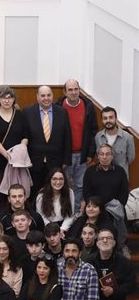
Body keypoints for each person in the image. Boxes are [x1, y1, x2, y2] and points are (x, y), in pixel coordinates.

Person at [56, 79, 98, 213]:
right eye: (70, 90)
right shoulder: (58, 106)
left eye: (76, 89)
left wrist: (91, 154)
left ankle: (75, 215)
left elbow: (93, 131)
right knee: (63, 185)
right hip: (64, 156)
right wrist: (60, 157)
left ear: (79, 90)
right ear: (65, 92)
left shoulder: (88, 106)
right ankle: (64, 212)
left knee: (80, 186)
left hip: (83, 156)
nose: (73, 92)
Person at [23, 85, 72, 199]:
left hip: (55, 161)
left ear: (52, 96)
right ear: (37, 97)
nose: (46, 98)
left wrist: (66, 160)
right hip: (34, 161)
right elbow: (24, 136)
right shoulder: (27, 112)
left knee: (54, 193)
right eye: (43, 95)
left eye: (49, 95)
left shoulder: (62, 112)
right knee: (34, 193)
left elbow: (67, 137)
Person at [0, 87, 29, 213]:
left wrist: (20, 152)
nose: (7, 100)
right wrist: (7, 155)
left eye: (9, 97)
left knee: (18, 192)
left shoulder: (21, 115)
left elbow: (25, 136)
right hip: (1, 160)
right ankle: (0, 218)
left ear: (14, 99)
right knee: (1, 192)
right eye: (3, 98)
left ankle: (18, 216)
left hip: (18, 161)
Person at [82, 143, 129, 207]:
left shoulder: (120, 171)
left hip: (115, 210)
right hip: (95, 209)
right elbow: (86, 193)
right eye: (102, 154)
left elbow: (124, 192)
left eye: (107, 154)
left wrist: (118, 207)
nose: (104, 157)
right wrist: (95, 207)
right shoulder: (89, 171)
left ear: (112, 156)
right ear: (98, 156)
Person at [94, 106, 134, 178]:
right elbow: (98, 156)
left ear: (116, 119)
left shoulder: (128, 138)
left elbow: (130, 159)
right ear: (102, 120)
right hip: (103, 177)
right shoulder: (98, 136)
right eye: (105, 118)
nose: (108, 120)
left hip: (121, 178)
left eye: (111, 117)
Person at [36, 168, 75, 234]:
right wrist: (52, 229)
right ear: (49, 180)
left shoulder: (69, 192)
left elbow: (70, 215)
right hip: (47, 226)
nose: (58, 182)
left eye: (61, 179)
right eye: (54, 179)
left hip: (64, 226)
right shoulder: (41, 195)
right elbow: (41, 216)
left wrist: (62, 229)